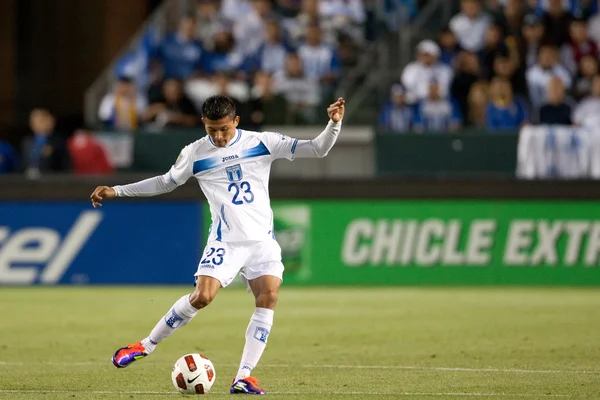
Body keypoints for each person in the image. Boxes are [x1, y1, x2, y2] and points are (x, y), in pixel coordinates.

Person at [90, 95, 345, 395]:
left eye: (224, 128)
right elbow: (164, 182)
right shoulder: (194, 153)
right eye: (212, 130)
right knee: (202, 297)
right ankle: (144, 345)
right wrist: (117, 191)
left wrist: (334, 124)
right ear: (203, 125)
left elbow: (317, 148)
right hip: (226, 241)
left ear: (236, 121)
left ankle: (243, 376)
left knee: (269, 296)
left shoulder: (263, 142)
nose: (219, 136)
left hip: (262, 241)